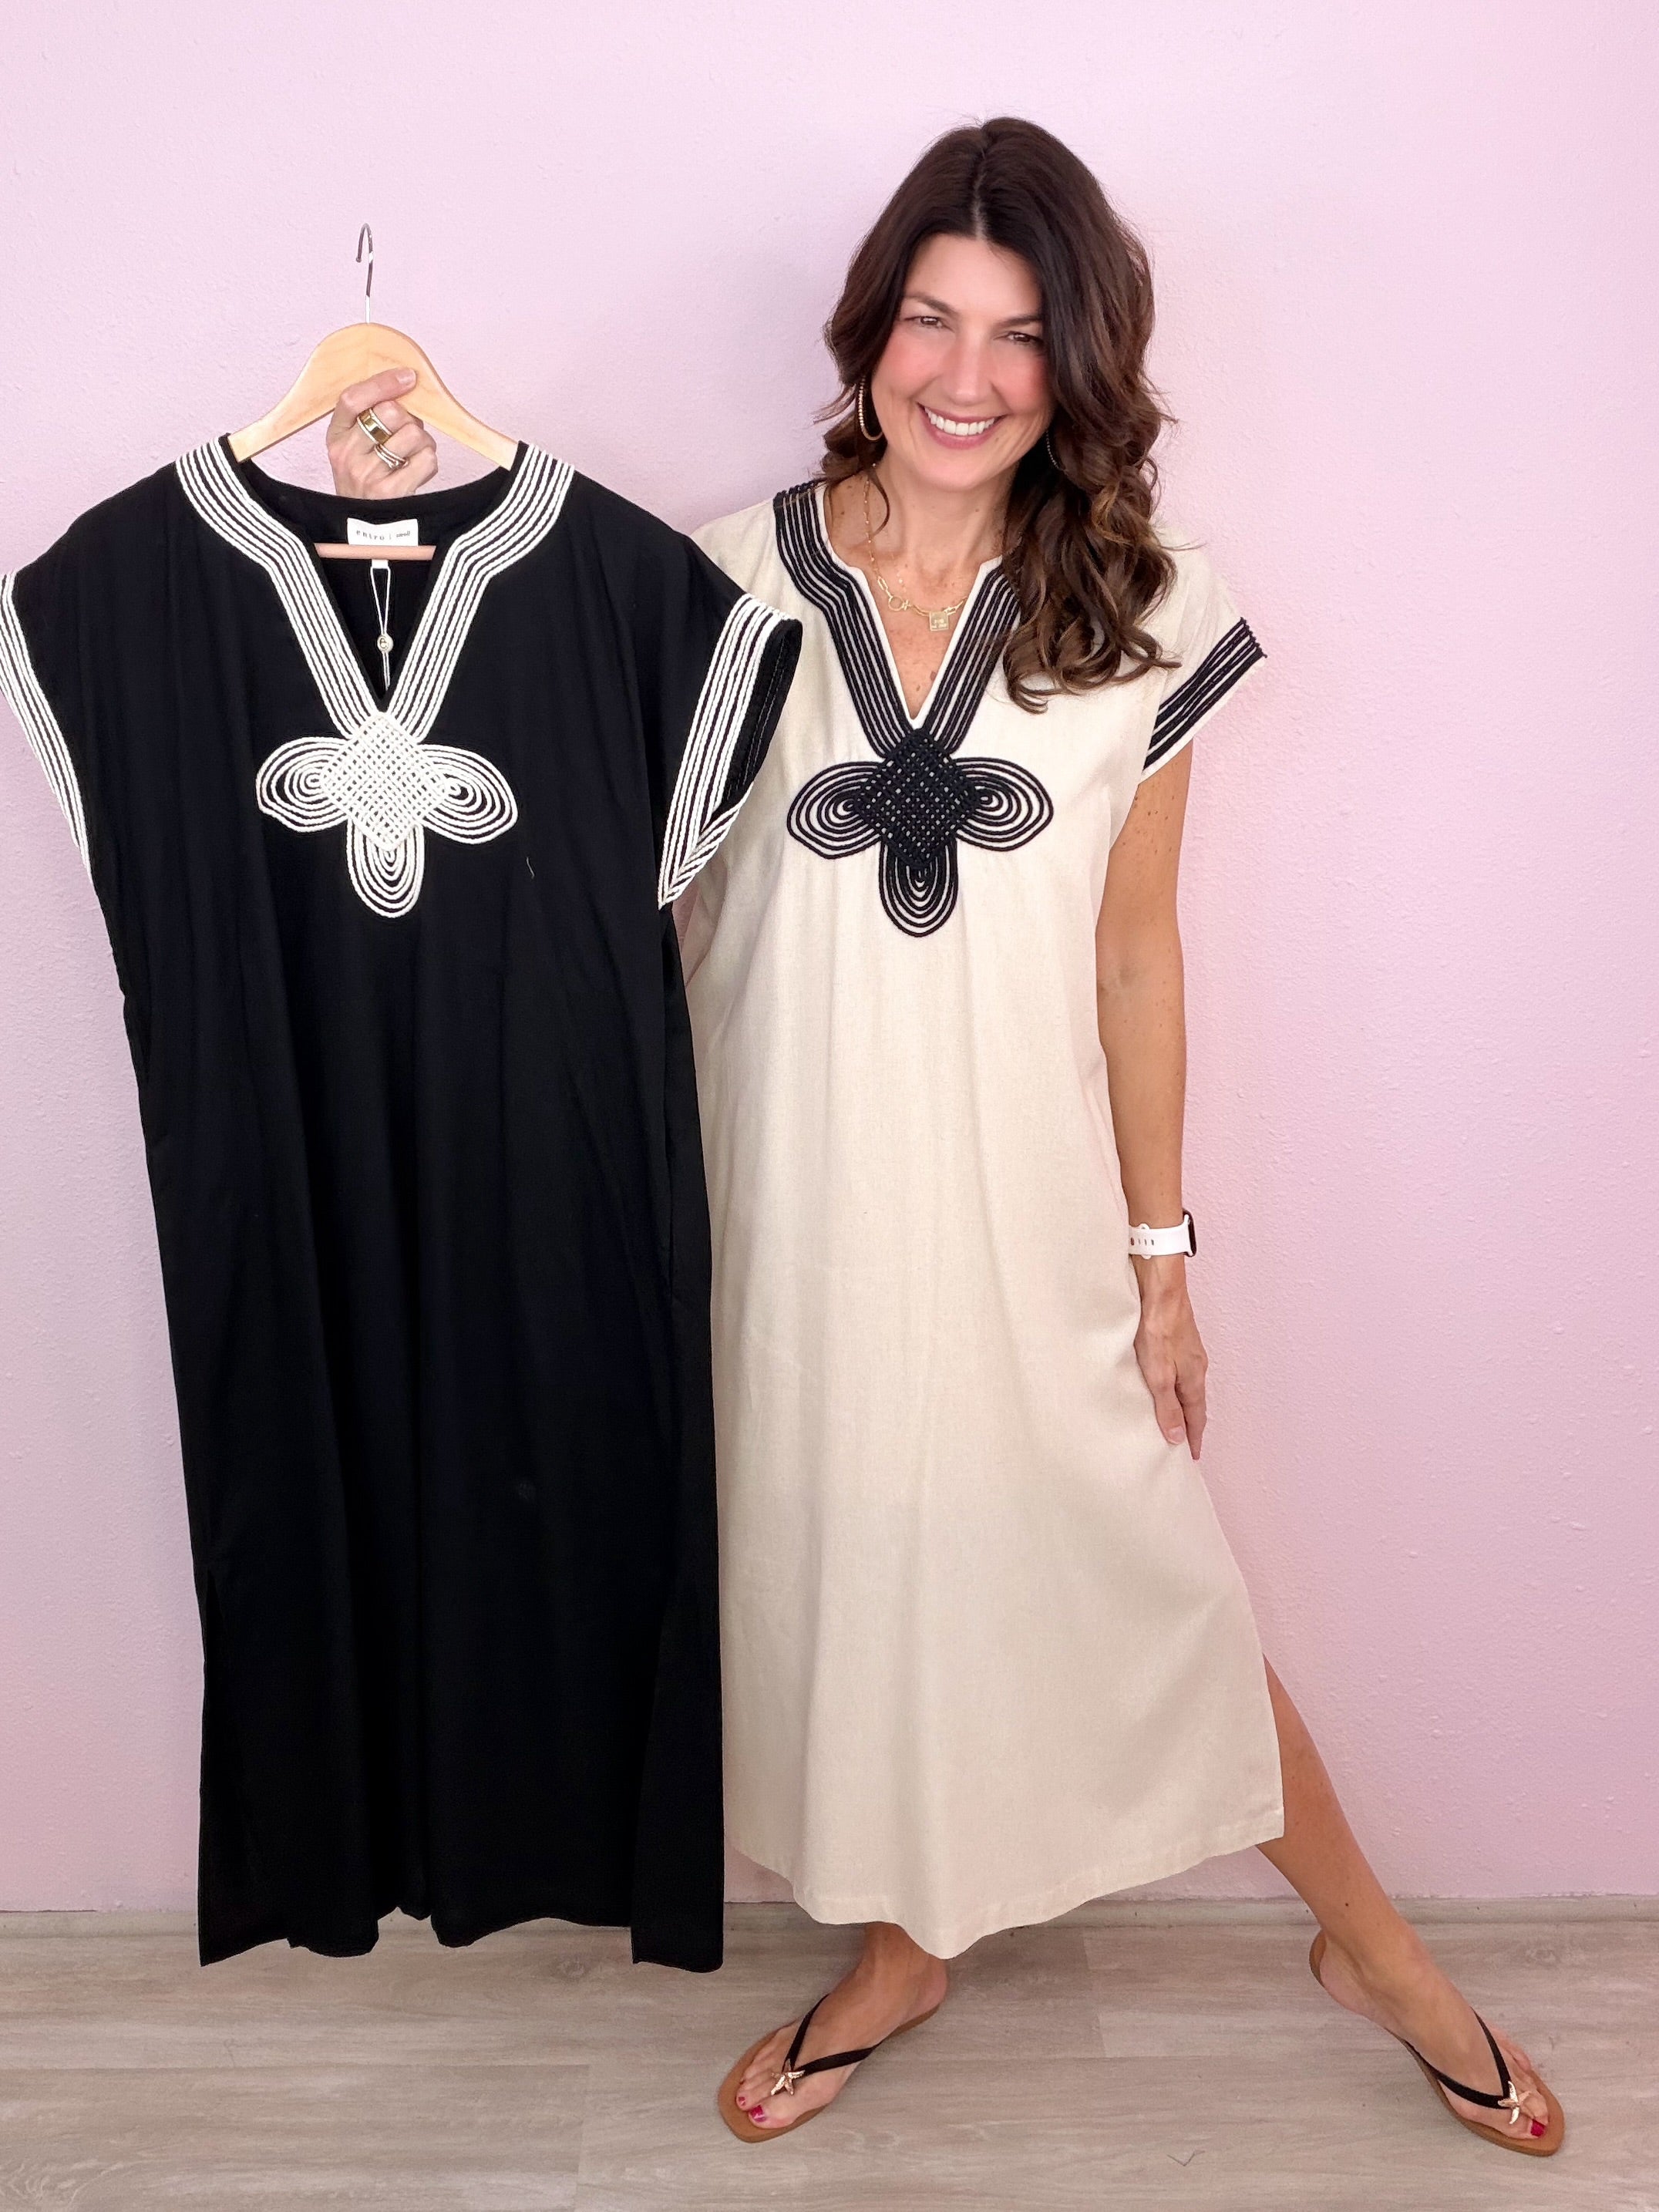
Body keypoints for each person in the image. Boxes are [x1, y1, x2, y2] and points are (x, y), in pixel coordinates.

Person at [325, 116, 1563, 2157]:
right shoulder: (714, 586)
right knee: (860, 1592)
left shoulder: (1145, 611)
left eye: (1020, 335)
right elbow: (546, 844)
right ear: (871, 332)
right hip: (782, 1216)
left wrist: (1163, 1264)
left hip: (1022, 1225)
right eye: (931, 320)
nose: (966, 376)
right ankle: (908, 1950)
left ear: (1081, 365)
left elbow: (1138, 957)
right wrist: (396, 525)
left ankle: (1377, 1955)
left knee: (1149, 1591)